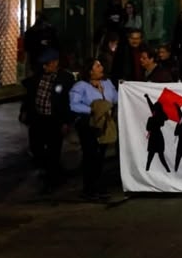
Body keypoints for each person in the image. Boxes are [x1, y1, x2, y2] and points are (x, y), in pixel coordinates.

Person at [19, 47, 75, 192]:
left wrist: (66, 122)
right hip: (38, 119)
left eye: (48, 64)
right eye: (44, 64)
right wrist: (24, 111)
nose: (45, 67)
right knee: (36, 147)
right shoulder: (38, 76)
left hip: (55, 121)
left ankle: (53, 179)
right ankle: (51, 170)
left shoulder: (66, 79)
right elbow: (30, 96)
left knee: (53, 151)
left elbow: (68, 102)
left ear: (55, 63)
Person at [70, 57, 118, 200]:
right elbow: (73, 105)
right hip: (88, 125)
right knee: (90, 155)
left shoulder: (107, 83)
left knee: (100, 155)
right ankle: (89, 189)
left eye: (101, 65)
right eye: (97, 66)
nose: (101, 67)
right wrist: (92, 110)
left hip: (104, 124)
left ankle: (97, 186)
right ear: (90, 71)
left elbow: (116, 98)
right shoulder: (80, 86)